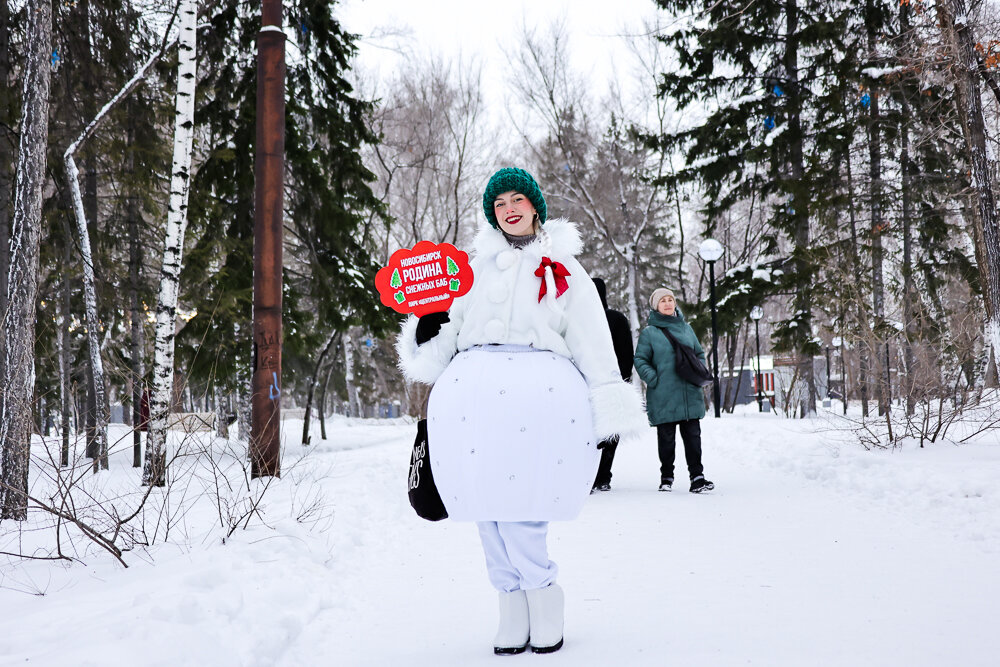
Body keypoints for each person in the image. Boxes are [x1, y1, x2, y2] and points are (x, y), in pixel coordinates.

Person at [396, 167, 646, 655]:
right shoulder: (473, 270)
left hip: (537, 405)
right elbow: (449, 334)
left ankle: (543, 599)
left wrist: (607, 402)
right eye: (499, 203)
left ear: (535, 206)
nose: (508, 208)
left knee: (523, 511)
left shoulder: (564, 270)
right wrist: (428, 330)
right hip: (472, 406)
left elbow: (593, 339)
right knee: (485, 513)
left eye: (517, 199)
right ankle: (511, 606)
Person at [633, 287, 715, 494]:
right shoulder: (650, 333)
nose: (668, 303)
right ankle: (666, 477)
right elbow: (640, 359)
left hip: (689, 392)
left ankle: (697, 477)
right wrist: (653, 379)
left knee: (693, 438)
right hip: (664, 394)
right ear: (656, 306)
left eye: (670, 299)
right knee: (667, 440)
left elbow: (699, 353)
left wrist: (699, 372)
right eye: (663, 301)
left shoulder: (687, 329)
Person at [590, 277, 634, 493]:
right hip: (611, 381)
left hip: (594, 382)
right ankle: (602, 475)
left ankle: (596, 475)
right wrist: (623, 379)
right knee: (608, 431)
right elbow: (628, 354)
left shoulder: (585, 319)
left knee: (595, 430)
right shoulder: (615, 318)